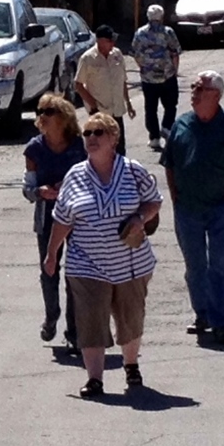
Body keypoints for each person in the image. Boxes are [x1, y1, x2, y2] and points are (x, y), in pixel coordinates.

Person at [44, 112, 163, 398]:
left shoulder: (133, 170)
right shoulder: (74, 176)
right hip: (86, 263)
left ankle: (131, 364)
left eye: (98, 132)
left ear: (114, 138)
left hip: (130, 263)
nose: (92, 138)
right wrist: (51, 254)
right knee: (90, 319)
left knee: (130, 317)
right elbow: (62, 219)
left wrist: (140, 218)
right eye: (87, 133)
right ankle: (94, 379)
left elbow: (154, 201)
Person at [161, 70, 224, 345]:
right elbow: (170, 163)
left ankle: (221, 322)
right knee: (194, 266)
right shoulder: (182, 125)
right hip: (187, 209)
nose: (194, 92)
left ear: (215, 94)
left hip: (220, 209)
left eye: (199, 88)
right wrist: (175, 195)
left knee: (220, 265)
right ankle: (202, 313)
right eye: (193, 87)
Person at [24, 93, 87, 350]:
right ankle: (52, 316)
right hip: (47, 217)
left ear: (64, 117)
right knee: (49, 270)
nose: (43, 117)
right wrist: (40, 191)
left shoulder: (80, 145)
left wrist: (69, 185)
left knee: (76, 272)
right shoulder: (34, 148)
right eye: (40, 112)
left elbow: (93, 177)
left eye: (49, 112)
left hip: (79, 217)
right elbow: (28, 187)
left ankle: (74, 331)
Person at [73, 24, 136, 155]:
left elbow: (123, 80)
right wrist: (93, 106)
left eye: (113, 40)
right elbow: (78, 85)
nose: (112, 43)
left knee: (119, 149)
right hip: (99, 113)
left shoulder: (117, 55)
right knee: (100, 150)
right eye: (109, 40)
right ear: (99, 41)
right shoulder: (88, 58)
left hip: (117, 111)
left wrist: (128, 103)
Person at [131, 4, 182, 153]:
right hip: (167, 76)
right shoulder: (168, 32)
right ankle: (167, 127)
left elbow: (135, 53)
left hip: (148, 78)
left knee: (150, 107)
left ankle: (154, 137)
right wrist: (175, 71)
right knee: (171, 104)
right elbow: (175, 53)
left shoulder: (140, 33)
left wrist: (143, 67)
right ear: (162, 17)